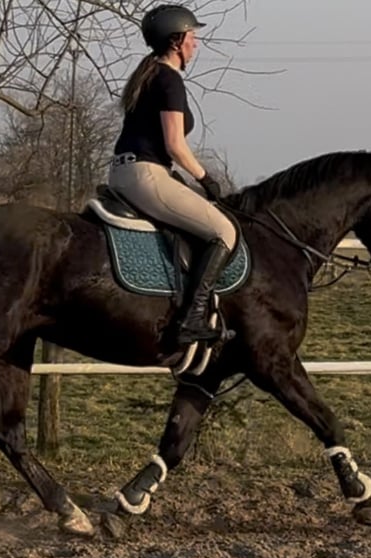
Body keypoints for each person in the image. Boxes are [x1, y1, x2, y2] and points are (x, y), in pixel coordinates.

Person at [108, 4, 238, 346]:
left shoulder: (147, 76)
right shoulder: (168, 80)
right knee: (224, 231)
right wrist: (205, 178)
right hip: (145, 175)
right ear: (177, 41)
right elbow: (175, 145)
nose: (196, 44)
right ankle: (191, 319)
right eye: (193, 37)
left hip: (124, 173)